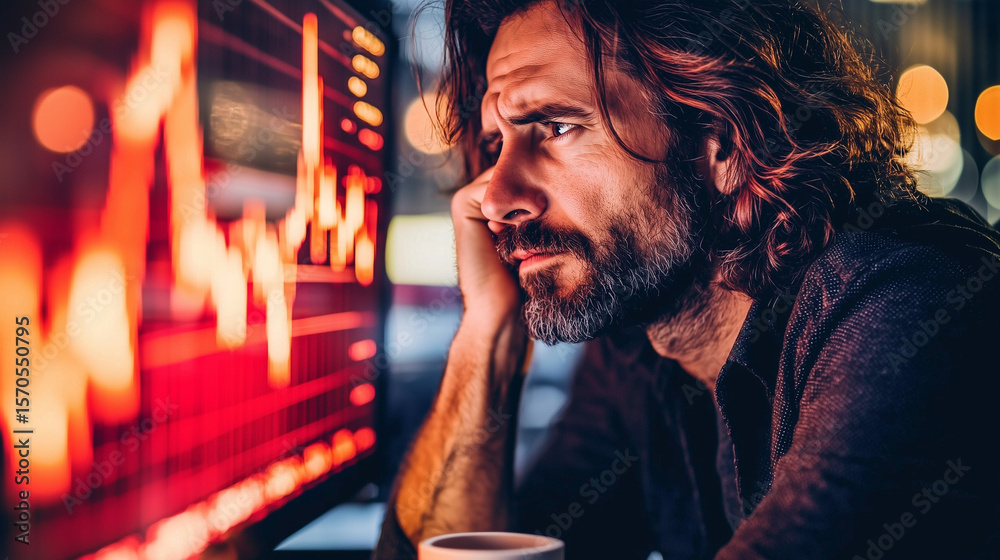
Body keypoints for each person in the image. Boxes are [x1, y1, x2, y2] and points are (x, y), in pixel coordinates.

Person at [374, 0, 1000, 558]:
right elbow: (481, 548)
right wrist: (488, 331)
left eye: (558, 127)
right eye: (495, 141)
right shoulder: (637, 351)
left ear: (720, 144)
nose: (497, 196)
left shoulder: (906, 305)